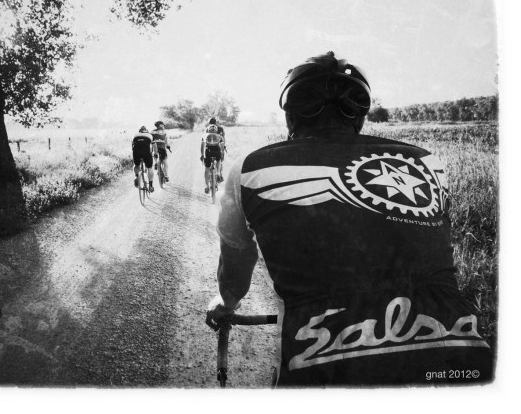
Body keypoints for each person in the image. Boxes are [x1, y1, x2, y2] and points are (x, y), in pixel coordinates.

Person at [205, 51, 493, 386]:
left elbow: (235, 268)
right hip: (461, 359)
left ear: (290, 117)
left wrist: (226, 303)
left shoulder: (250, 168)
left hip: (323, 364)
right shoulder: (426, 163)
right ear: (359, 117)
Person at [200, 124, 224, 194]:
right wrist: (222, 154)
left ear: (208, 130)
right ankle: (218, 173)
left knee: (207, 169)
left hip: (208, 151)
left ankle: (207, 186)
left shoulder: (205, 135)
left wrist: (202, 155)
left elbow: (202, 146)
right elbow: (222, 146)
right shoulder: (219, 136)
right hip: (217, 151)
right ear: (216, 130)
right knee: (219, 160)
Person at [132, 126, 155, 192]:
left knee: (136, 165)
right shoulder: (149, 135)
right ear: (146, 131)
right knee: (150, 168)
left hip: (136, 152)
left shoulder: (135, 135)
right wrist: (155, 153)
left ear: (139, 131)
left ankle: (137, 176)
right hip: (146, 153)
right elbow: (154, 145)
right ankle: (150, 185)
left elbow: (132, 146)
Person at [207, 117, 226, 182]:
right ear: (216, 122)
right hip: (218, 147)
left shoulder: (208, 128)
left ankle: (209, 174)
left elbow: (205, 139)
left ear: (209, 123)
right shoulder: (221, 128)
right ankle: (219, 173)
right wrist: (223, 146)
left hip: (209, 148)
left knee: (207, 160)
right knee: (220, 160)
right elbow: (223, 138)